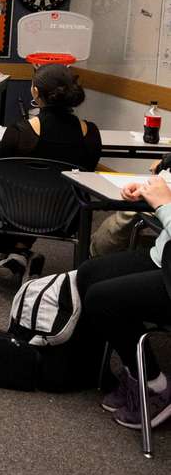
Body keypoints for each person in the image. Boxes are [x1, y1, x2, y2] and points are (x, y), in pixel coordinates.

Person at [0, 64, 102, 276]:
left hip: (15, 212)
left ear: (35, 91)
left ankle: (13, 248)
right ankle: (20, 252)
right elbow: (88, 174)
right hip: (66, 216)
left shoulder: (20, 131)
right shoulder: (91, 133)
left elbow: (0, 176)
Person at [76, 174, 171, 432]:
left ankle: (154, 386)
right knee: (89, 273)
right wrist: (149, 189)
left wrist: (163, 205)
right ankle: (132, 371)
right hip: (164, 257)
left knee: (102, 300)